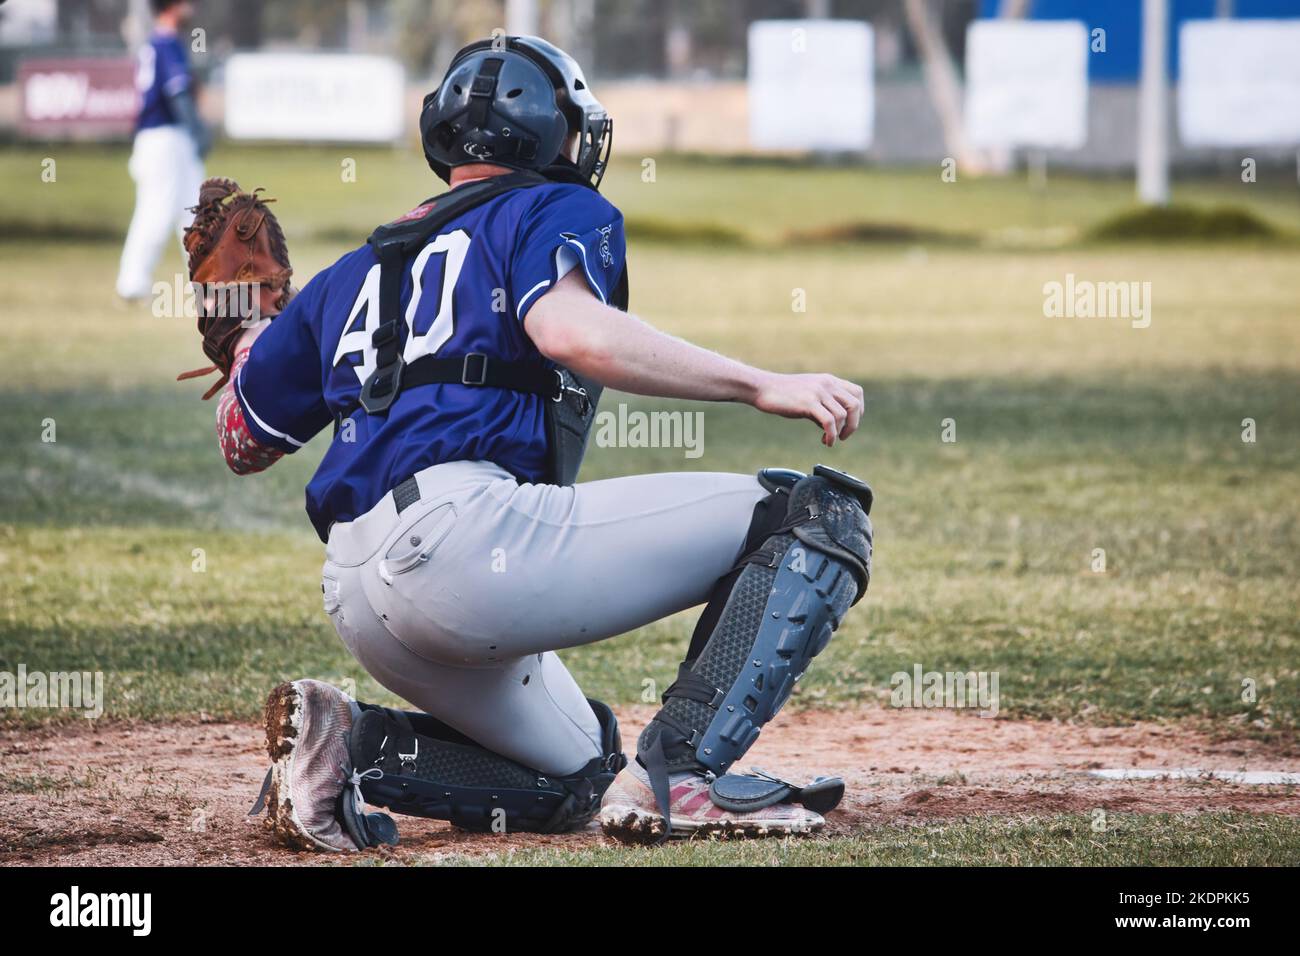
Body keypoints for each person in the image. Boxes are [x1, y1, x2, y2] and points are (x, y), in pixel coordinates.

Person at [221, 36, 872, 851]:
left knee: (578, 778)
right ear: (551, 133)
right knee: (816, 514)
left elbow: (242, 439)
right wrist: (759, 383)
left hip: (359, 593)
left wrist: (249, 343)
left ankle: (348, 743)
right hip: (466, 545)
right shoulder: (553, 206)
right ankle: (685, 779)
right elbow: (567, 330)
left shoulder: (356, 268)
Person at [116, 0, 208, 302]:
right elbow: (177, 92)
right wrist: (197, 129)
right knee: (157, 209)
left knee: (194, 209)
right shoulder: (166, 42)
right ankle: (133, 283)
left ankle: (205, 284)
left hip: (168, 138)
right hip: (163, 137)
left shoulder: (161, 42)